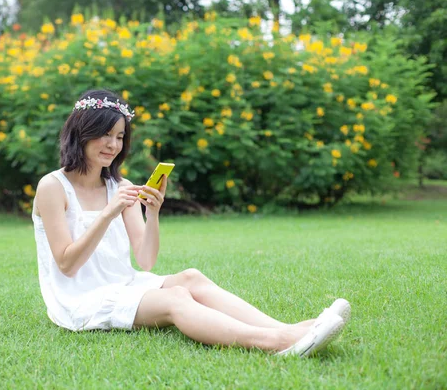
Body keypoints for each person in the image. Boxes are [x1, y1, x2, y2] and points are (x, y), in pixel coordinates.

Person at [32, 89, 350, 357]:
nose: (113, 145)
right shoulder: (53, 186)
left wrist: (153, 213)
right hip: (81, 299)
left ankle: (290, 330)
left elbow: (145, 259)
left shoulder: (120, 186)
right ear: (81, 132)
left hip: (124, 283)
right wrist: (106, 215)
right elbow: (66, 264)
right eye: (105, 135)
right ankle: (278, 343)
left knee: (191, 278)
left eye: (119, 136)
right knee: (175, 298)